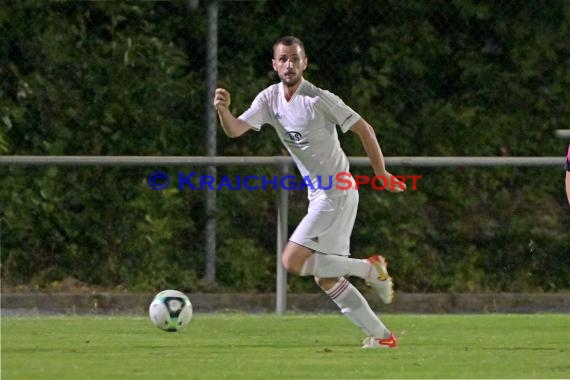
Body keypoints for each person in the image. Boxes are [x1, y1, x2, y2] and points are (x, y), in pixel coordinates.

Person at [213, 36, 406, 349]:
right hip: (322, 196)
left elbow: (365, 129)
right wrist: (223, 110)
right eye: (283, 59)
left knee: (292, 259)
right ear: (274, 65)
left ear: (305, 63)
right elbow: (235, 130)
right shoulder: (268, 99)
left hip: (337, 192)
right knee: (327, 278)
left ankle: (369, 269)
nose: (289, 64)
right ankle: (384, 337)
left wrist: (381, 174)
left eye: (295, 59)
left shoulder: (319, 99)